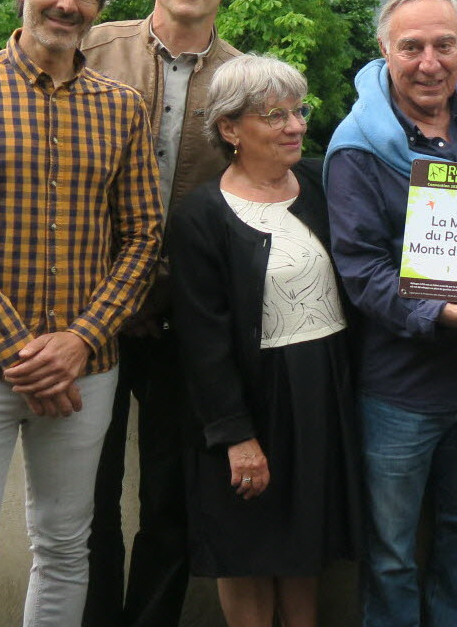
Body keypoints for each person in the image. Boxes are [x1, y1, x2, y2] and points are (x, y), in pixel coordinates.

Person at [0, 0, 161, 625]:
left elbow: (145, 234)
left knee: (65, 546)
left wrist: (77, 341)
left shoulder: (121, 107)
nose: (67, 2)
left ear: (100, 4)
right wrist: (20, 350)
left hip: (84, 369)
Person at [324, 0, 457, 627]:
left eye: (444, 44)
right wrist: (443, 314)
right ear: (385, 51)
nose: (429, 61)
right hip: (397, 390)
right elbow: (360, 271)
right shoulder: (358, 146)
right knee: (390, 552)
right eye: (411, 46)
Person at [81, 0, 242, 627]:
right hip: (86, 317)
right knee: (85, 496)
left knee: (173, 500)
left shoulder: (245, 79)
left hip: (183, 322)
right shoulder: (89, 48)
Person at [166, 54, 361, 627]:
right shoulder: (201, 217)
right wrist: (236, 437)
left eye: (298, 111)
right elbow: (203, 342)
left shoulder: (322, 183)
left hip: (321, 391)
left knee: (306, 546)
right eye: (274, 115)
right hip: (251, 403)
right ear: (230, 128)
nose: (295, 125)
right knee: (246, 548)